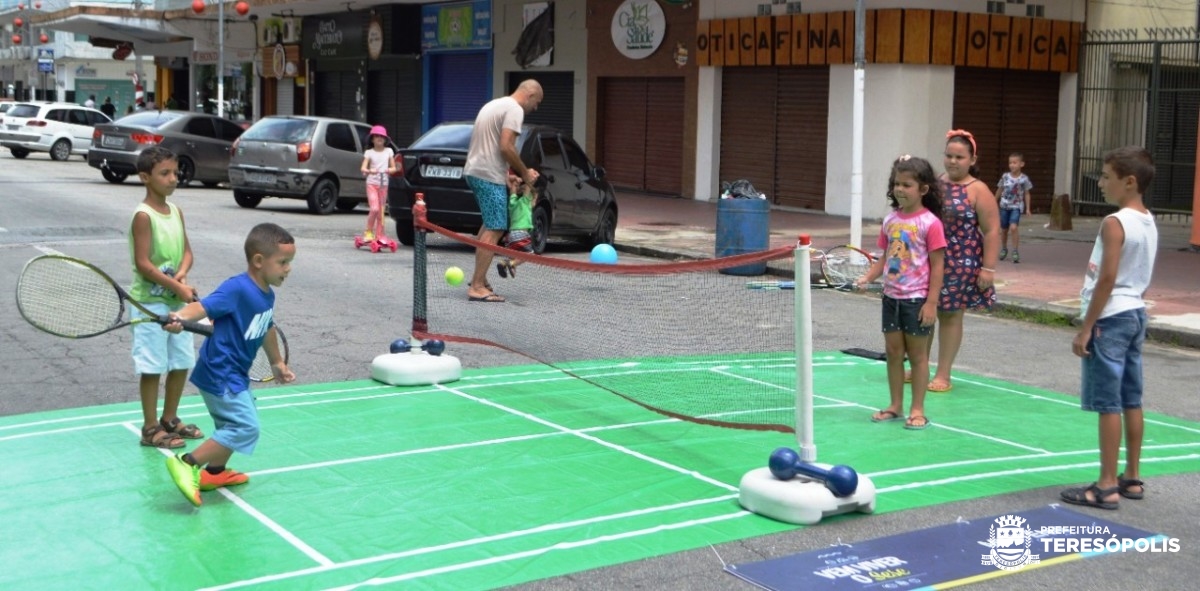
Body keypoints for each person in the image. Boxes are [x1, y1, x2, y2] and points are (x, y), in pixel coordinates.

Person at [162, 223, 297, 506]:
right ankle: (187, 462)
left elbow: (266, 327)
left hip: (234, 373)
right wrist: (180, 317)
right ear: (258, 261)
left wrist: (276, 362)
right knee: (245, 427)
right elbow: (203, 306)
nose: (288, 269)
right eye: (283, 262)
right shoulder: (238, 288)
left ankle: (214, 472)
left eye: (289, 262)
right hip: (220, 372)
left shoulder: (266, 294)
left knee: (231, 423)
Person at [1060, 146, 1158, 510]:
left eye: (1106, 177)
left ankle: (1105, 485)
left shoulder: (1115, 222)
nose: (1100, 183)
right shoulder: (1148, 220)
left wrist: (1086, 327)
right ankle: (1131, 476)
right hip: (1135, 312)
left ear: (1129, 182)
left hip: (1111, 316)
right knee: (1132, 397)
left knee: (1108, 403)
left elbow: (1107, 278)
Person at [858, 155, 946, 431]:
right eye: (897, 184)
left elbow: (938, 265)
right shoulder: (890, 221)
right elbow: (886, 257)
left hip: (917, 300)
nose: (900, 189)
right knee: (893, 353)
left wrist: (931, 303)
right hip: (891, 298)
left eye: (907, 185)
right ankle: (895, 405)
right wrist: (868, 277)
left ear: (923, 189)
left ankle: (917, 409)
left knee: (918, 357)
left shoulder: (931, 223)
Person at [128, 146, 203, 449]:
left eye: (175, 172)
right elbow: (143, 264)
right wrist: (176, 286)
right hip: (149, 304)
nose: (173, 178)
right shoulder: (143, 216)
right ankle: (150, 428)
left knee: (181, 361)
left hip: (176, 303)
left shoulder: (176, 211)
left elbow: (187, 253)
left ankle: (169, 418)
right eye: (165, 173)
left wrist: (181, 275)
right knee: (152, 366)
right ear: (145, 177)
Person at [916, 129, 999, 392]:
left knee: (950, 315)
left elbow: (992, 231)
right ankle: (919, 367)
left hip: (962, 261)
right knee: (924, 312)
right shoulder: (935, 184)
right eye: (949, 156)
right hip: (930, 258)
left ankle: (943, 374)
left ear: (972, 160)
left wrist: (988, 268)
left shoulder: (979, 190)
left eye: (960, 157)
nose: (953, 161)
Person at [462, 79, 544, 302]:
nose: (536, 107)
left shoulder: (494, 105)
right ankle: (477, 286)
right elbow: (506, 146)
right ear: (530, 95)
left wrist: (507, 175)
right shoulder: (515, 109)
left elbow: (489, 145)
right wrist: (525, 173)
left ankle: (480, 279)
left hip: (476, 170)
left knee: (489, 224)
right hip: (487, 175)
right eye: (537, 102)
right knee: (496, 227)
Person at [496, 171, 537, 279]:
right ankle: (511, 264)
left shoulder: (512, 203)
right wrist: (530, 180)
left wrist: (514, 184)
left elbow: (513, 192)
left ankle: (504, 263)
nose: (534, 203)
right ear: (529, 198)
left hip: (511, 236)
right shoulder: (525, 202)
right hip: (522, 234)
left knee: (515, 255)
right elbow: (528, 188)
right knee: (529, 254)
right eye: (534, 200)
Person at [359, 125, 396, 245]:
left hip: (383, 184)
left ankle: (380, 234)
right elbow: (363, 168)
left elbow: (394, 168)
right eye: (377, 136)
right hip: (372, 184)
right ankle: (368, 231)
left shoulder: (389, 151)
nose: (379, 138)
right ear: (372, 139)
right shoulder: (369, 153)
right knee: (374, 209)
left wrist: (389, 170)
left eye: (382, 136)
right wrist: (370, 171)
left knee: (381, 211)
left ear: (385, 139)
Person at [996, 152, 1033, 263]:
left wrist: (1028, 208)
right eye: (1010, 163)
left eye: (1015, 163)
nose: (1012, 165)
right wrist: (993, 201)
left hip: (1016, 207)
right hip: (1004, 205)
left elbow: (1027, 193)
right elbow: (1000, 189)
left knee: (1013, 227)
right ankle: (1004, 248)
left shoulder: (1024, 179)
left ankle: (1015, 250)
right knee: (1004, 229)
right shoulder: (1005, 177)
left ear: (1021, 164)